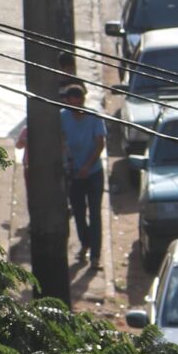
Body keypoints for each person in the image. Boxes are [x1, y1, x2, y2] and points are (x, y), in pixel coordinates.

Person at [59, 81, 108, 267]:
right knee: (79, 213)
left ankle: (95, 255)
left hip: (94, 172)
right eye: (72, 103)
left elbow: (100, 144)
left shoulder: (94, 117)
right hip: (74, 173)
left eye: (78, 102)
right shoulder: (62, 117)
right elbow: (61, 140)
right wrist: (69, 161)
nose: (76, 107)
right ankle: (85, 244)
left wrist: (87, 166)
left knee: (95, 214)